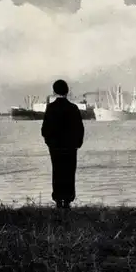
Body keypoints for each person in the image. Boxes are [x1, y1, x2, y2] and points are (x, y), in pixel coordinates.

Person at [41, 80, 85, 209]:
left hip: (55, 147)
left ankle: (58, 200)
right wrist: (77, 144)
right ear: (67, 91)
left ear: (54, 92)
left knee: (57, 171)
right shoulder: (73, 108)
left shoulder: (50, 108)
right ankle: (68, 200)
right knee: (69, 172)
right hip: (70, 147)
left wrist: (49, 143)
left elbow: (45, 130)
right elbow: (80, 129)